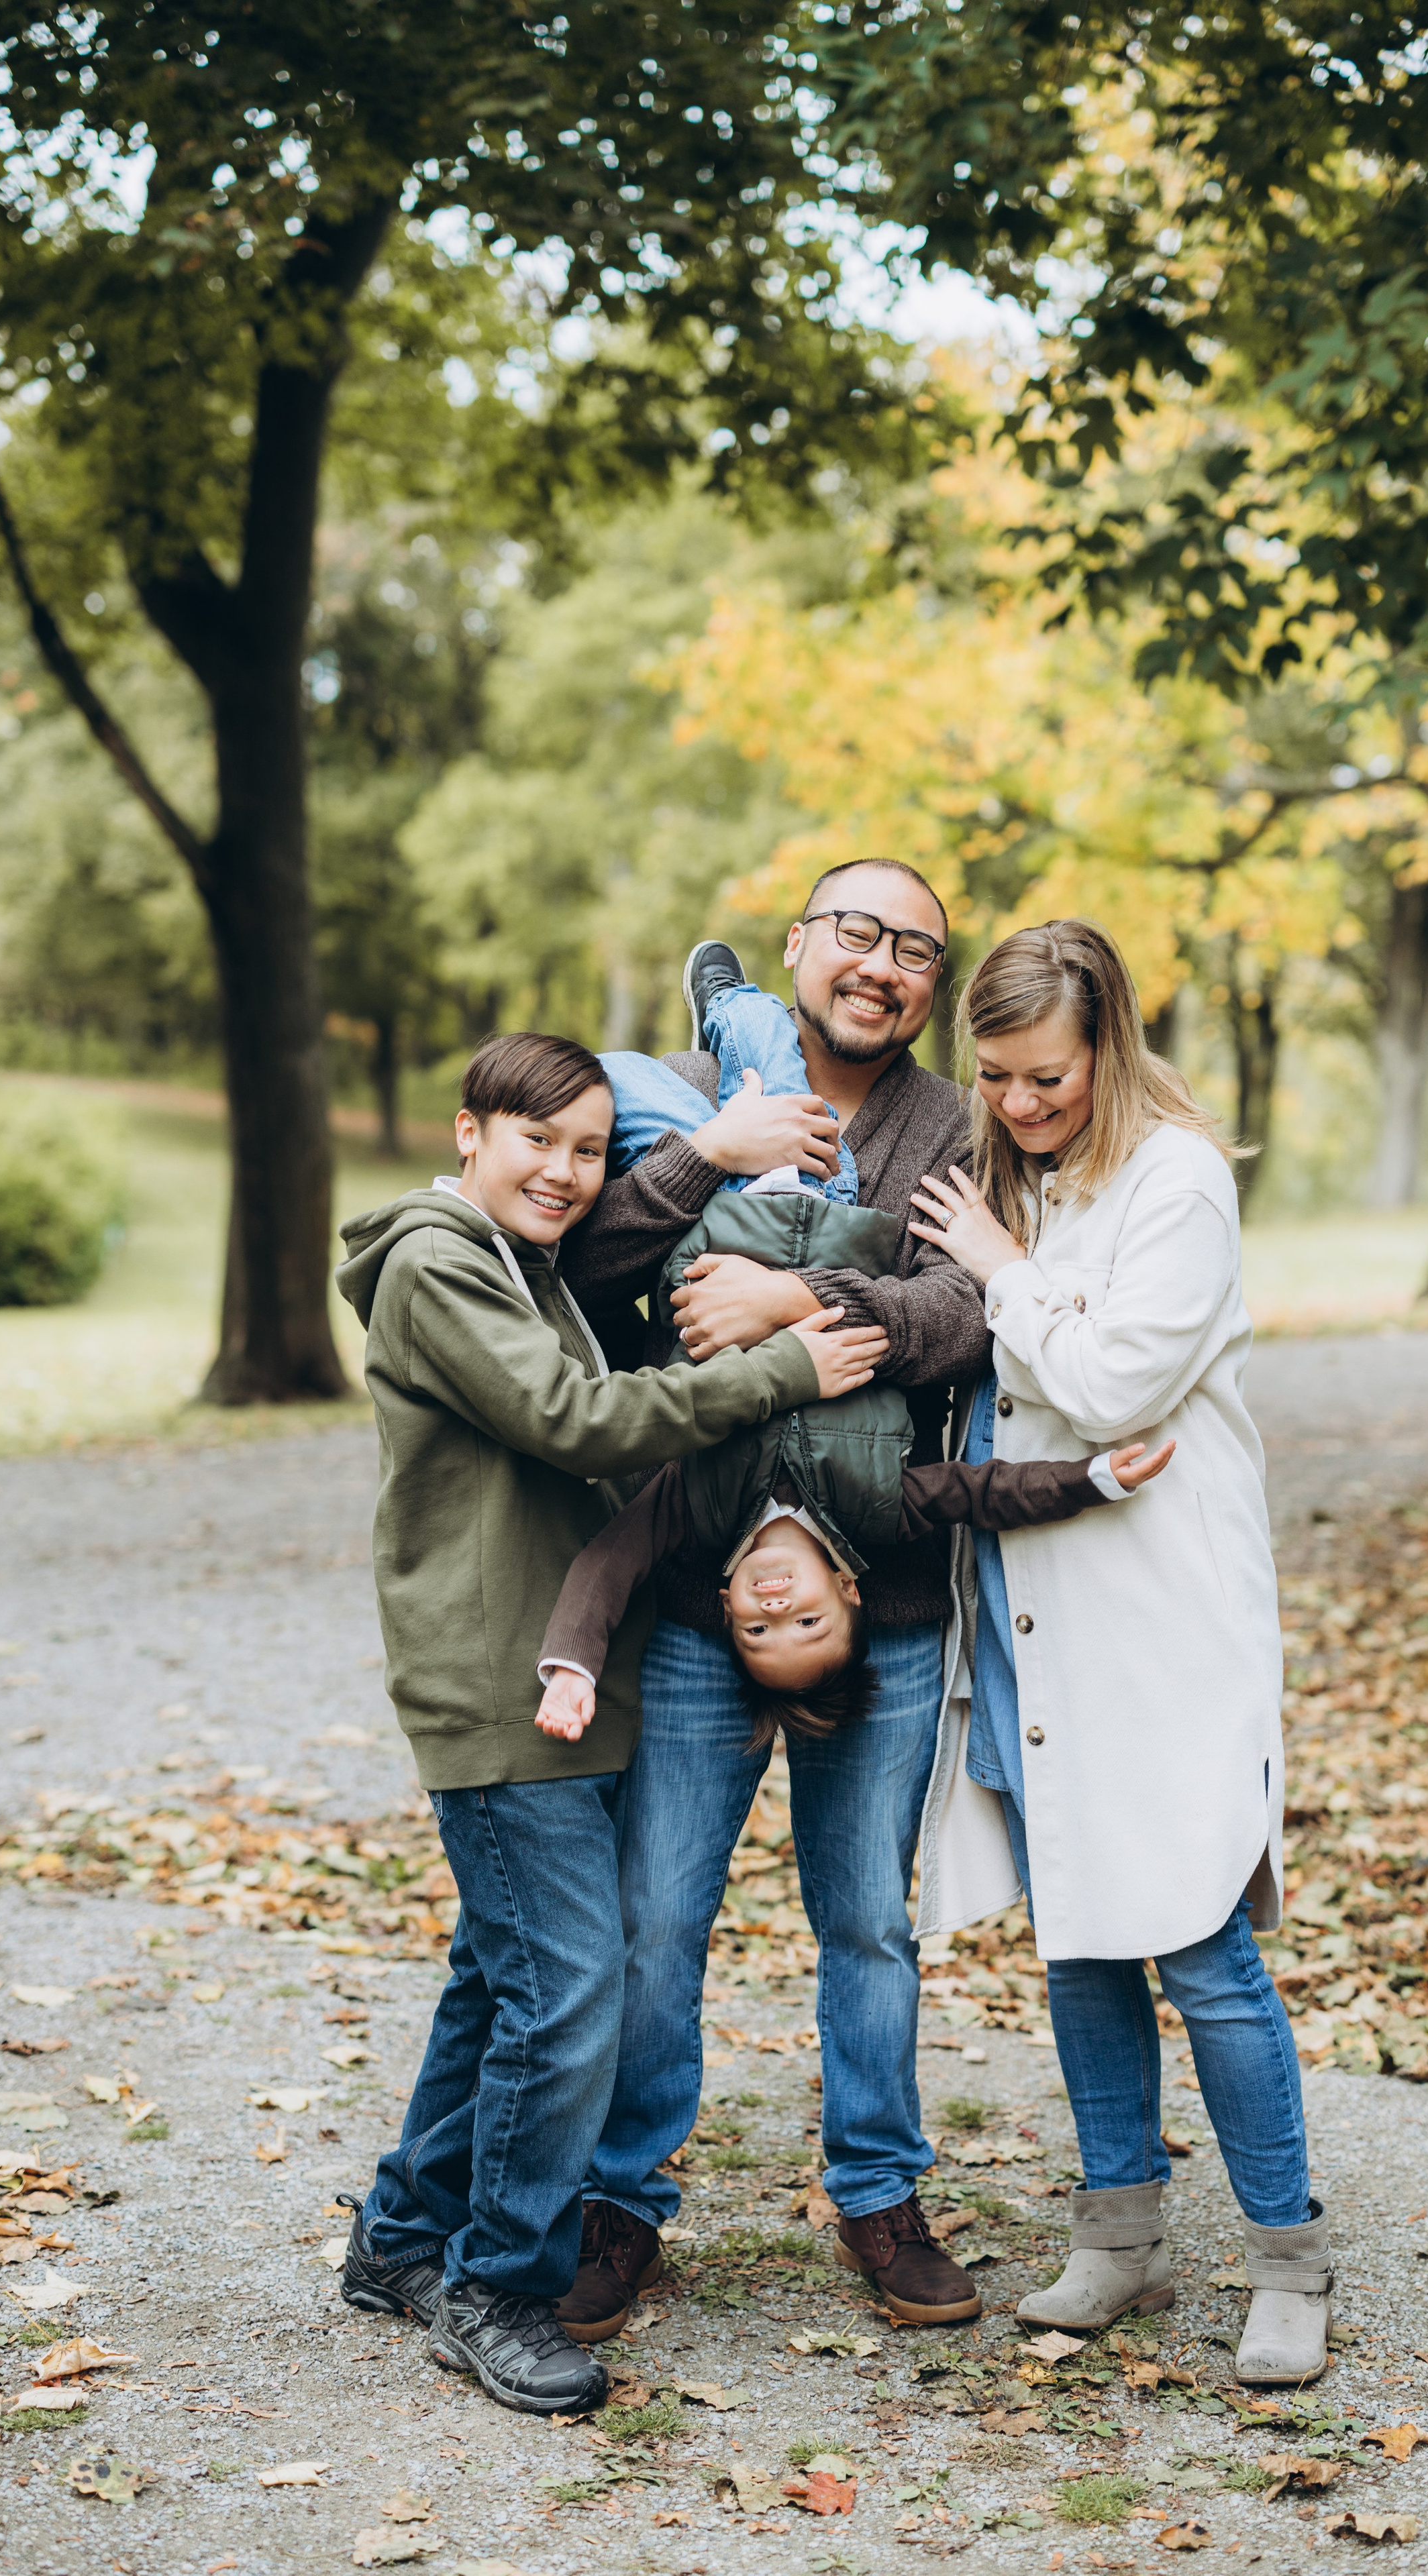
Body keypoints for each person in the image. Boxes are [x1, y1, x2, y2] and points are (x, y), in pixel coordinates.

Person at [329, 1030, 882, 2418]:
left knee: (498, 1976)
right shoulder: (438, 1264)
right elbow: (573, 1420)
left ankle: (403, 2235)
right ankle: (499, 2284)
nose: (567, 1173)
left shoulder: (523, 1263)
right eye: (539, 1141)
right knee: (570, 1987)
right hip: (493, 1679)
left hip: (557, 1683)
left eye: (589, 1149)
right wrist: (780, 1373)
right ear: (468, 1132)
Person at [556, 861, 996, 2339]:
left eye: (916, 949)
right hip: (695, 1584)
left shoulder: (951, 1127)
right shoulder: (687, 1094)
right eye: (857, 932)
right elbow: (589, 1264)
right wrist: (705, 1160)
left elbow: (969, 1315)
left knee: (866, 1919)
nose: (883, 965)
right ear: (799, 944)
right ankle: (621, 2202)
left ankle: (878, 2194)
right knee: (654, 1917)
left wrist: (801, 1303)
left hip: (881, 1596)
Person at [909, 920, 1328, 2388]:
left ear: (1109, 1044)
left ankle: (1288, 2260)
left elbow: (1113, 1382)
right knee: (1078, 1930)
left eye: (1048, 1077)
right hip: (1027, 1603)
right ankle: (1121, 2234)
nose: (1019, 1104)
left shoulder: (1176, 1179)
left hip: (1159, 1614)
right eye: (997, 1078)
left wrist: (1000, 1269)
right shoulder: (1016, 1172)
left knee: (1201, 1942)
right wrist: (1020, 1269)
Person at [537, 959, 1170, 1740]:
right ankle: (729, 1005)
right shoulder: (878, 1507)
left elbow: (606, 1564)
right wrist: (1093, 1478)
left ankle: (727, 1016)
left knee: (593, 1075)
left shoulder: (693, 1503)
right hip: (826, 1201)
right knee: (763, 1071)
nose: (777, 1609)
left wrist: (570, 1667)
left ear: (729, 1604)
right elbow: (987, 1493)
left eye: (759, 1630)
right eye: (807, 1623)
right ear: (847, 1590)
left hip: (724, 1214)